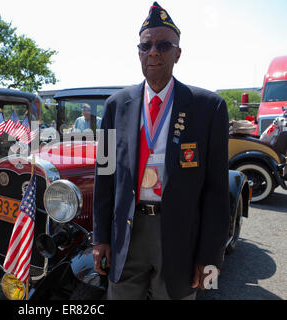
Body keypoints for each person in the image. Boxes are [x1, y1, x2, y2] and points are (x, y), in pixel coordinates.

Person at [93, 2, 230, 300]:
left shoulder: (210, 107)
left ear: (178, 53)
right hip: (126, 234)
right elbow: (103, 174)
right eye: (146, 45)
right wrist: (100, 237)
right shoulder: (114, 106)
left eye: (164, 45)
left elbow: (217, 191)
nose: (154, 51)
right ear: (138, 51)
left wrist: (210, 258)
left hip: (180, 235)